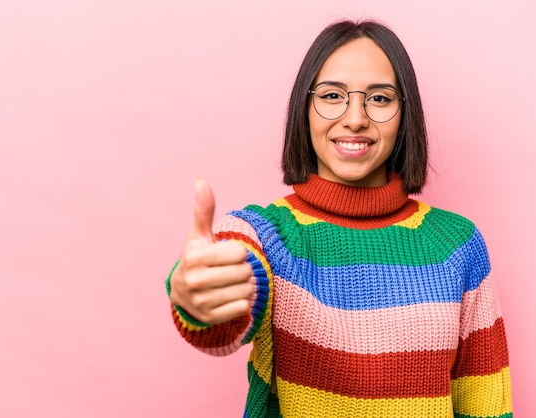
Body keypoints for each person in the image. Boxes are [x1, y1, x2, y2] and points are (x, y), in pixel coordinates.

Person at [166, 20, 512, 418]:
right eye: (332, 95)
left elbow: (486, 404)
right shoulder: (263, 235)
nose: (354, 119)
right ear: (304, 107)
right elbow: (225, 318)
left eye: (379, 99)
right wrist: (199, 300)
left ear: (405, 114)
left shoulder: (458, 244)